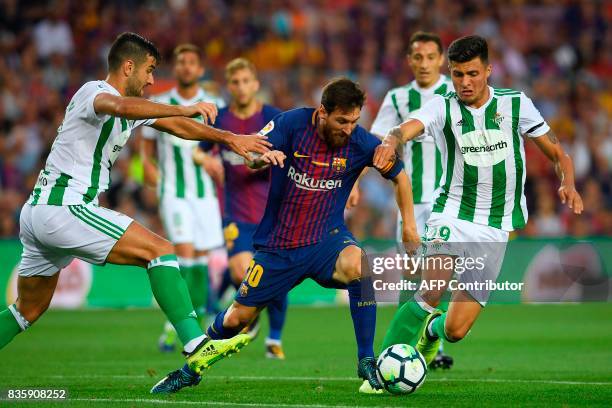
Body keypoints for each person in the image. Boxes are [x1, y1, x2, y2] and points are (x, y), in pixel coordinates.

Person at [0, 32, 270, 386]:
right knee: (160, 251)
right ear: (129, 66)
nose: (152, 80)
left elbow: (178, 126)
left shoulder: (134, 108)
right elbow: (124, 108)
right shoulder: (93, 92)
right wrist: (182, 105)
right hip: (64, 207)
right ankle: (196, 343)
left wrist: (229, 138)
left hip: (40, 212)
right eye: (150, 70)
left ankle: (193, 342)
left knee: (28, 309)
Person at [152, 77, 421, 394]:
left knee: (358, 264)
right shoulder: (291, 124)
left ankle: (366, 360)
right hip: (279, 247)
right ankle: (191, 369)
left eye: (354, 121)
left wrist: (409, 226)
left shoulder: (360, 143)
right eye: (341, 121)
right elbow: (250, 154)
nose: (348, 128)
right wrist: (260, 159)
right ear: (322, 112)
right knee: (238, 318)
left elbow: (400, 177)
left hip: (327, 240)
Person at [374, 35, 583, 367]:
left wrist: (567, 181)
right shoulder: (443, 105)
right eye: (457, 74)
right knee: (431, 291)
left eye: (472, 73)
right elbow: (406, 127)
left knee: (455, 330)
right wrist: (390, 139)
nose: (465, 82)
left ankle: (431, 333)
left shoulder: (515, 104)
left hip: (496, 226)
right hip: (451, 214)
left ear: (488, 70)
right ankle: (379, 371)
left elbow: (558, 152)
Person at [368, 31, 454, 370]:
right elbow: (378, 143)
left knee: (441, 274)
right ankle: (403, 348)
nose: (424, 63)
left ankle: (436, 344)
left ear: (440, 60)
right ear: (409, 60)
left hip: (450, 200)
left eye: (430, 57)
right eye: (417, 57)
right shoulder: (398, 97)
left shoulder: (454, 91)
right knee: (413, 271)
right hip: (411, 199)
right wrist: (357, 181)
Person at [198, 58, 289, 359]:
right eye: (235, 82)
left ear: (256, 84)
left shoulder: (273, 117)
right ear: (229, 85)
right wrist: (207, 160)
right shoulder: (220, 119)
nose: (240, 87)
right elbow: (199, 152)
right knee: (242, 270)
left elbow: (291, 151)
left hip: (272, 211)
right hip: (235, 210)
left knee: (275, 275)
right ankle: (252, 317)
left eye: (246, 81)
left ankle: (274, 339)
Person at [140, 43, 225, 352]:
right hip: (174, 192)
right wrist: (147, 169)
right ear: (175, 68)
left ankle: (187, 324)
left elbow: (221, 146)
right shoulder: (159, 102)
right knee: (186, 254)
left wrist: (218, 163)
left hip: (205, 196)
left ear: (200, 69)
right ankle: (180, 329)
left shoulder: (215, 104)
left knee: (201, 260)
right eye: (181, 62)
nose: (186, 67)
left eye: (192, 62)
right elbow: (146, 150)